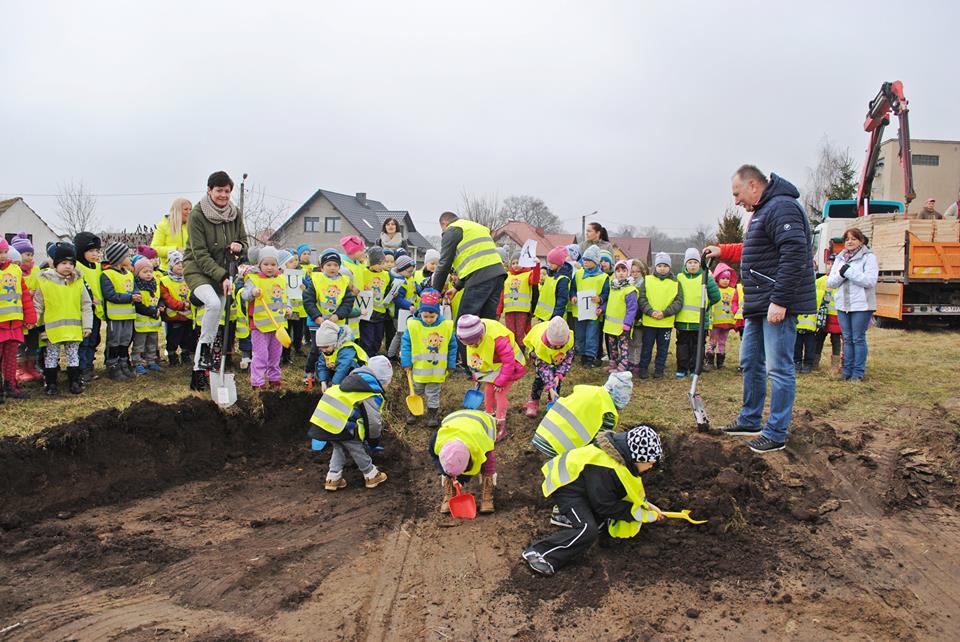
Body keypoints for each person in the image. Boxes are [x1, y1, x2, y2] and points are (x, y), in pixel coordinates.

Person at [703, 165, 816, 454]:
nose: (735, 201)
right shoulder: (764, 210)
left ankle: (776, 432)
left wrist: (781, 300)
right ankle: (750, 419)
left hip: (775, 302)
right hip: (758, 303)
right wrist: (723, 251)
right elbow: (756, 248)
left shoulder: (782, 207)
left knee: (779, 368)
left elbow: (794, 253)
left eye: (737, 193)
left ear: (753, 185)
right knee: (750, 361)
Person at [521, 426, 665, 576]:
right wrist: (635, 514)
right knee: (588, 530)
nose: (651, 466)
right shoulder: (607, 469)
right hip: (567, 487)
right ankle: (539, 553)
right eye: (650, 462)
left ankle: (565, 517)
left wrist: (646, 505)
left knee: (600, 521)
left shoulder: (622, 458)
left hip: (585, 487)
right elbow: (605, 506)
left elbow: (623, 491)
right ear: (637, 458)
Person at [183, 171, 248, 392]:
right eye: (219, 190)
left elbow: (244, 243)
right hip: (199, 270)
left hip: (224, 271)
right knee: (212, 304)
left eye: (227, 191)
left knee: (218, 313)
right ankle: (204, 356)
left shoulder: (235, 213)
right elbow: (199, 253)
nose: (223, 195)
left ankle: (199, 370)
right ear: (209, 190)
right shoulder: (197, 215)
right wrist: (221, 276)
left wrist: (239, 246)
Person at [308, 355, 392, 491]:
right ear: (381, 380)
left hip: (325, 422)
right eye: (388, 382)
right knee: (356, 447)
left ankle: (333, 478)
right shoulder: (370, 394)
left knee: (339, 446)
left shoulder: (350, 383)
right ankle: (371, 475)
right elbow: (373, 422)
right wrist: (373, 441)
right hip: (341, 425)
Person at [34, 243, 93, 395]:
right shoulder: (45, 282)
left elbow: (86, 305)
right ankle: (51, 383)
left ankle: (74, 381)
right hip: (53, 330)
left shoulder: (78, 282)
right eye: (64, 263)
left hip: (74, 329)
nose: (68, 266)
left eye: (71, 263)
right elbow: (38, 304)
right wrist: (33, 320)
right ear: (56, 264)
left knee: (73, 355)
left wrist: (87, 326)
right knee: (51, 356)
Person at [531, 371, 633, 458]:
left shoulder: (586, 391)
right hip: (557, 451)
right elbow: (600, 445)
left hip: (541, 436)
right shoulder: (608, 413)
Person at [456, 314, 525, 441]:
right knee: (488, 390)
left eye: (473, 344)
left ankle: (500, 424)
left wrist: (500, 381)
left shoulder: (498, 339)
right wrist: (477, 375)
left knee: (499, 394)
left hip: (512, 367)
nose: (471, 346)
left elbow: (509, 362)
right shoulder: (471, 335)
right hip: (495, 366)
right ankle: (489, 414)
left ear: (480, 336)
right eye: (468, 344)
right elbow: (476, 357)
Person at [431, 212, 506, 324]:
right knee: (486, 322)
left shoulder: (452, 230)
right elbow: (476, 262)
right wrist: (456, 287)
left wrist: (434, 294)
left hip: (479, 278)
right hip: (498, 275)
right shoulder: (475, 227)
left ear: (444, 223)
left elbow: (444, 265)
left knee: (464, 323)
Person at [826, 228, 878, 381]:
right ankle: (846, 371)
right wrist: (842, 273)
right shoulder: (840, 258)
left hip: (861, 305)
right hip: (843, 305)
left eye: (854, 239)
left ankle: (857, 373)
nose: (850, 242)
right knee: (847, 338)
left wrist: (848, 272)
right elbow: (831, 282)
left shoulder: (868, 257)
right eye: (847, 239)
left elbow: (869, 281)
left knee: (858, 338)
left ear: (861, 241)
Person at [400, 289, 457, 427]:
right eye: (425, 316)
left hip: (436, 370)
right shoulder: (413, 325)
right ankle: (413, 412)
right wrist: (406, 362)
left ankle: (432, 414)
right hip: (418, 369)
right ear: (420, 313)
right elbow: (406, 345)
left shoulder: (445, 326)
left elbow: (452, 346)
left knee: (433, 393)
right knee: (416, 390)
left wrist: (451, 364)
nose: (429, 319)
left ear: (438, 313)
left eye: (432, 316)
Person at [303, 248, 355, 390]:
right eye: (329, 265)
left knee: (334, 349)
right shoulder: (316, 280)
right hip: (317, 322)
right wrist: (317, 317)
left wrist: (337, 315)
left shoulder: (344, 281)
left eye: (335, 265)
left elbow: (348, 302)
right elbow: (308, 300)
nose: (332, 268)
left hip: (336, 323)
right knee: (316, 349)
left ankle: (330, 374)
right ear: (322, 267)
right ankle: (309, 372)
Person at [241, 246, 291, 390]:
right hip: (259, 326)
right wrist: (252, 292)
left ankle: (274, 378)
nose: (270, 267)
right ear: (259, 264)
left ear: (278, 265)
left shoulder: (281, 279)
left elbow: (285, 297)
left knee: (275, 354)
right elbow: (244, 295)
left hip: (277, 325)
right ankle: (257, 382)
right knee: (260, 355)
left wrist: (288, 308)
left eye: (273, 264)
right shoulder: (254, 279)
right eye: (266, 264)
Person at [430, 409, 498, 513]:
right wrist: (447, 474)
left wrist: (463, 479)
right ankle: (449, 493)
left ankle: (487, 495)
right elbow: (437, 459)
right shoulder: (436, 442)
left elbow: (489, 464)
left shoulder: (480, 446)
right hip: (452, 419)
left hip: (482, 422)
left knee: (488, 463)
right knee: (448, 471)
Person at [674, 248, 720, 378]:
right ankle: (682, 368)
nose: (692, 265)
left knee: (698, 346)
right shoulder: (679, 278)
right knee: (682, 345)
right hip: (682, 321)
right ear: (685, 264)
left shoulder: (706, 277)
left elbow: (716, 296)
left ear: (700, 264)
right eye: (690, 262)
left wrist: (706, 306)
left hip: (699, 321)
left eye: (695, 262)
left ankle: (695, 369)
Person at [636, 252, 683, 379]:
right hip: (649, 322)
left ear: (670, 267)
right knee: (647, 347)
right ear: (655, 267)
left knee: (663, 348)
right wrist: (650, 311)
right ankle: (643, 368)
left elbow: (678, 302)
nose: (662, 268)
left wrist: (665, 313)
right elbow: (642, 299)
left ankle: (659, 369)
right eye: (660, 265)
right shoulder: (647, 280)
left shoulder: (676, 283)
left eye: (665, 266)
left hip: (665, 323)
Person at [99, 241, 139, 382]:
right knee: (114, 341)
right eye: (127, 256)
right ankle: (112, 365)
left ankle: (123, 363)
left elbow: (134, 288)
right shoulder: (107, 275)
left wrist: (136, 294)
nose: (129, 258)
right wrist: (130, 297)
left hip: (128, 314)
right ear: (119, 258)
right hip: (115, 316)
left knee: (125, 340)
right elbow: (110, 295)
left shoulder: (129, 274)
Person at [522, 316, 575, 418]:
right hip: (539, 357)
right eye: (555, 345)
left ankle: (552, 400)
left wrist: (559, 374)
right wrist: (550, 386)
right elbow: (543, 368)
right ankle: (533, 401)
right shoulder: (540, 345)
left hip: (558, 358)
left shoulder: (569, 340)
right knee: (540, 378)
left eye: (561, 345)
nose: (558, 347)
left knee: (556, 380)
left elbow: (568, 359)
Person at [569, 245, 609, 367]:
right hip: (579, 311)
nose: (585, 262)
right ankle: (581, 353)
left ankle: (590, 357)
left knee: (591, 335)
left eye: (589, 260)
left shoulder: (603, 277)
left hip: (593, 311)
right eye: (584, 259)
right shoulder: (578, 274)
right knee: (580, 334)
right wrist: (573, 296)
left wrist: (600, 299)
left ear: (595, 262)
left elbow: (606, 293)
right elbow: (573, 288)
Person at [74, 232, 103, 382]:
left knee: (94, 339)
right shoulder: (77, 267)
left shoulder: (98, 267)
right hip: (84, 310)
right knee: (84, 341)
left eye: (97, 251)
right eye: (91, 251)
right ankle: (81, 368)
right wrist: (90, 298)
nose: (95, 254)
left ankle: (89, 365)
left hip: (97, 310)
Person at [159, 250, 195, 366]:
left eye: (182, 263)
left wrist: (190, 303)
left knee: (187, 337)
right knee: (173, 338)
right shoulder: (165, 281)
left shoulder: (188, 279)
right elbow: (167, 298)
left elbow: (193, 293)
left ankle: (185, 354)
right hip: (174, 316)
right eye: (177, 263)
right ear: (171, 265)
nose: (180, 265)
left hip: (188, 315)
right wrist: (181, 305)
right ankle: (172, 355)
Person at [603, 260, 638, 373]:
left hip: (623, 326)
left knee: (624, 347)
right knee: (612, 346)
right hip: (610, 325)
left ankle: (623, 366)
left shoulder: (630, 290)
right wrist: (601, 308)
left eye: (624, 270)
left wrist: (627, 323)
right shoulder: (613, 287)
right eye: (618, 271)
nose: (621, 273)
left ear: (628, 272)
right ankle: (613, 363)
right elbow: (610, 302)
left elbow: (632, 309)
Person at [315, 319, 369, 391]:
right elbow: (321, 366)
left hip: (359, 372)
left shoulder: (346, 348)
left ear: (334, 342)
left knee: (348, 367)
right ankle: (331, 383)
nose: (324, 350)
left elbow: (343, 368)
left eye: (326, 347)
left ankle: (347, 386)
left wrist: (334, 384)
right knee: (318, 365)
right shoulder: (326, 349)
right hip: (339, 369)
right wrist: (323, 382)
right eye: (321, 348)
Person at [131, 257, 164, 374]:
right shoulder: (136, 287)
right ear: (137, 272)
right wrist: (151, 312)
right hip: (141, 323)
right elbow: (138, 306)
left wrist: (161, 305)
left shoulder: (155, 285)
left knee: (152, 344)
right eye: (145, 272)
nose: (148, 274)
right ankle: (137, 362)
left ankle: (151, 361)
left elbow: (160, 298)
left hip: (154, 323)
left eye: (150, 271)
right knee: (139, 345)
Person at [358, 247, 392, 356]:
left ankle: (374, 354)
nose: (381, 266)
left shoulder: (386, 275)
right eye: (379, 263)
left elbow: (387, 290)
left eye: (383, 263)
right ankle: (367, 358)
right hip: (367, 313)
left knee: (378, 338)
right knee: (367, 339)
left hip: (380, 313)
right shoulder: (363, 272)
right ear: (372, 263)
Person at [813, 253, 842, 372]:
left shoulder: (840, 282)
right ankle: (814, 363)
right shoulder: (819, 281)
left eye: (833, 264)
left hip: (836, 316)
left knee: (835, 340)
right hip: (822, 316)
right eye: (828, 263)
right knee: (819, 339)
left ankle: (835, 365)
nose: (830, 266)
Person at [385, 254, 417, 359]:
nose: (411, 273)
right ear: (400, 270)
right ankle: (393, 354)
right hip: (399, 314)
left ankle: (395, 354)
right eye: (409, 271)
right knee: (400, 334)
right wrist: (409, 305)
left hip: (406, 313)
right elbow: (398, 299)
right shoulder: (399, 282)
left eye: (412, 271)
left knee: (401, 334)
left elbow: (416, 288)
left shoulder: (409, 278)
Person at [706, 263, 738, 369]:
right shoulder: (715, 290)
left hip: (727, 322)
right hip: (715, 322)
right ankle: (710, 361)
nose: (725, 280)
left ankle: (720, 362)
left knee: (722, 342)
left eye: (727, 278)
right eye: (723, 278)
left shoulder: (733, 291)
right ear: (718, 278)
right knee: (712, 341)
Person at [151, 197, 192, 272]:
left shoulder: (192, 226)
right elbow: (154, 249)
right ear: (177, 211)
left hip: (188, 271)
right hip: (167, 271)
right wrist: (176, 250)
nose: (189, 212)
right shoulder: (163, 226)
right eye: (186, 209)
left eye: (190, 209)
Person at [533, 246, 572, 325]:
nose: (549, 264)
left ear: (559, 263)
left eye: (552, 263)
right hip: (544, 316)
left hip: (554, 318)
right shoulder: (550, 275)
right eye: (549, 262)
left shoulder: (563, 280)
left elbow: (561, 300)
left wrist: (555, 317)